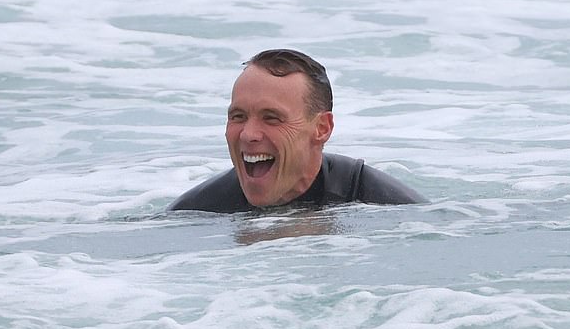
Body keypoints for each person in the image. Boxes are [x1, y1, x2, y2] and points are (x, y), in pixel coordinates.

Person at [169, 49, 426, 213]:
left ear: (322, 129)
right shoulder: (198, 212)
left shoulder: (384, 206)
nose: (248, 134)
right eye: (238, 116)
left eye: (272, 118)